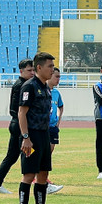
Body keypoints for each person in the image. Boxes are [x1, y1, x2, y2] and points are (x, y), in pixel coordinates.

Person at [16, 53, 59, 204]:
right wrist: (26, 137)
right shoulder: (29, 87)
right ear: (39, 68)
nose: (52, 69)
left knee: (43, 174)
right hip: (31, 136)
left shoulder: (47, 88)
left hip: (43, 135)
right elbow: (22, 113)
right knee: (28, 175)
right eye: (49, 66)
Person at [0, 58, 35, 194]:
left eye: (33, 70)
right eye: (29, 70)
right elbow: (14, 109)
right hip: (19, 125)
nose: (32, 73)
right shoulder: (21, 85)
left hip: (17, 124)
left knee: (12, 156)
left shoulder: (25, 84)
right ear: (21, 71)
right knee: (30, 154)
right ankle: (41, 182)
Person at [44, 67, 65, 195]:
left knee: (49, 152)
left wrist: (58, 121)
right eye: (56, 76)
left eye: (59, 77)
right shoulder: (42, 90)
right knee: (42, 152)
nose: (58, 79)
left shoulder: (56, 93)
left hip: (53, 127)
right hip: (42, 128)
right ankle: (40, 177)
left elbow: (61, 107)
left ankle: (42, 176)